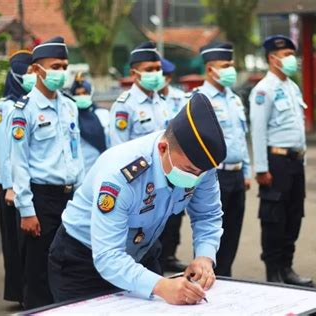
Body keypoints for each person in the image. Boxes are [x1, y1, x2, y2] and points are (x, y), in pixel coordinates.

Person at [48, 93, 226, 305]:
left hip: (141, 254)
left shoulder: (200, 167)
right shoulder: (120, 175)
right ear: (163, 148)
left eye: (200, 173)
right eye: (189, 170)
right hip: (82, 263)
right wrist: (161, 286)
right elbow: (108, 256)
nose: (194, 179)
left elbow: (208, 214)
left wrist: (204, 257)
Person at [9, 36, 84, 309]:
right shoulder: (24, 110)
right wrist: (26, 210)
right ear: (38, 70)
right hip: (41, 200)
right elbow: (18, 162)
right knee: (38, 271)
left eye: (64, 65)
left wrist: (82, 194)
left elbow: (77, 155)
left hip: (69, 197)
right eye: (56, 66)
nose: (61, 72)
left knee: (67, 264)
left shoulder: (69, 106)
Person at [249, 35, 312, 286]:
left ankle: (287, 268)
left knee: (294, 215)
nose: (290, 59)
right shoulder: (264, 90)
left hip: (295, 162)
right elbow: (258, 131)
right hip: (276, 162)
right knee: (274, 218)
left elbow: (298, 128)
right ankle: (273, 272)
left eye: (291, 54)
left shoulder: (292, 87)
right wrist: (261, 168)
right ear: (272, 58)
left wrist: (303, 159)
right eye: (285, 54)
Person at [195, 42, 251, 277]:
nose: (231, 69)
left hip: (237, 174)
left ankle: (225, 276)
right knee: (211, 231)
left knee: (233, 232)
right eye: (225, 65)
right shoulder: (199, 99)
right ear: (210, 70)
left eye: (231, 65)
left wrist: (247, 170)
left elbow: (241, 137)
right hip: (214, 175)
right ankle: (208, 275)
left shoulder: (235, 99)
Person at [0, 50, 35, 305]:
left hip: (26, 183)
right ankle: (19, 292)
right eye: (27, 72)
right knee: (14, 241)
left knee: (28, 243)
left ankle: (28, 291)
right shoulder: (5, 107)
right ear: (15, 75)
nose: (31, 77)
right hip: (9, 185)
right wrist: (1, 182)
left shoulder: (32, 105)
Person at [157, 58, 188, 272]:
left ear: (168, 78)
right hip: (153, 168)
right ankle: (156, 256)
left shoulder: (181, 99)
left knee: (176, 214)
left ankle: (170, 254)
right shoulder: (144, 102)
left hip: (177, 166)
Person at [109, 42, 169, 146]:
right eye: (149, 69)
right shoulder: (125, 106)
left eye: (158, 69)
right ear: (133, 74)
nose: (155, 73)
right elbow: (118, 147)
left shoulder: (161, 101)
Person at [70, 74, 109, 174]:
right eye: (77, 94)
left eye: (84, 93)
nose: (81, 96)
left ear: (90, 93)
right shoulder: (70, 117)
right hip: (81, 171)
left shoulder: (103, 114)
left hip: (104, 167)